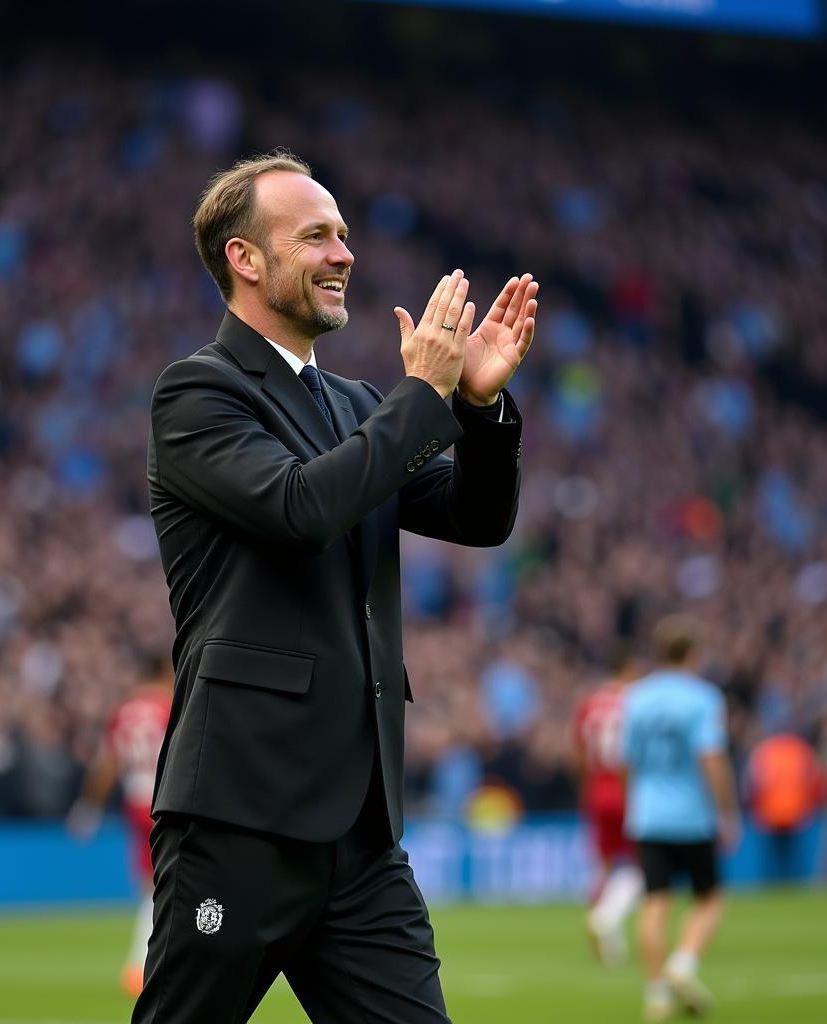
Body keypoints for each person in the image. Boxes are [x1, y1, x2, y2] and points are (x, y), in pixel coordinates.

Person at [137, 150, 536, 1024]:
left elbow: (477, 517)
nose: (343, 252)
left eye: (345, 235)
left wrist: (475, 408)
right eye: (315, 235)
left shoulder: (358, 404)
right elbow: (300, 507)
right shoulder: (197, 394)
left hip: (361, 832)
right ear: (246, 259)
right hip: (242, 814)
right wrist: (423, 394)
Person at [621, 616, 740, 1021]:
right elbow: (712, 757)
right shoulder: (703, 697)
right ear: (694, 653)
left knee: (655, 901)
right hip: (691, 814)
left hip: (648, 814)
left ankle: (656, 994)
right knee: (709, 897)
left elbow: (626, 760)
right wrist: (727, 811)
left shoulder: (636, 697)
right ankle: (683, 963)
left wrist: (634, 801)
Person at [67, 661, 173, 996]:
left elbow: (108, 762)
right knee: (168, 885)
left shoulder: (124, 711)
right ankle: (142, 963)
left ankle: (146, 962)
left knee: (152, 884)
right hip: (167, 800)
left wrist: (88, 808)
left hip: (135, 801)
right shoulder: (169, 704)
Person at [571, 650, 644, 965]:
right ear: (628, 668)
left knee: (602, 863)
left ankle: (610, 945)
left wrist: (585, 791)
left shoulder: (589, 704)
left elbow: (578, 756)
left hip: (596, 791)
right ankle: (606, 918)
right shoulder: (637, 702)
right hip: (629, 789)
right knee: (641, 865)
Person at [745, 730, 827, 884]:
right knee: (795, 863)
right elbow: (819, 783)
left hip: (770, 815)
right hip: (797, 815)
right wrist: (815, 807)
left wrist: (754, 810)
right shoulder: (803, 750)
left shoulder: (764, 751)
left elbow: (752, 785)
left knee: (773, 864)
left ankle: (774, 888)